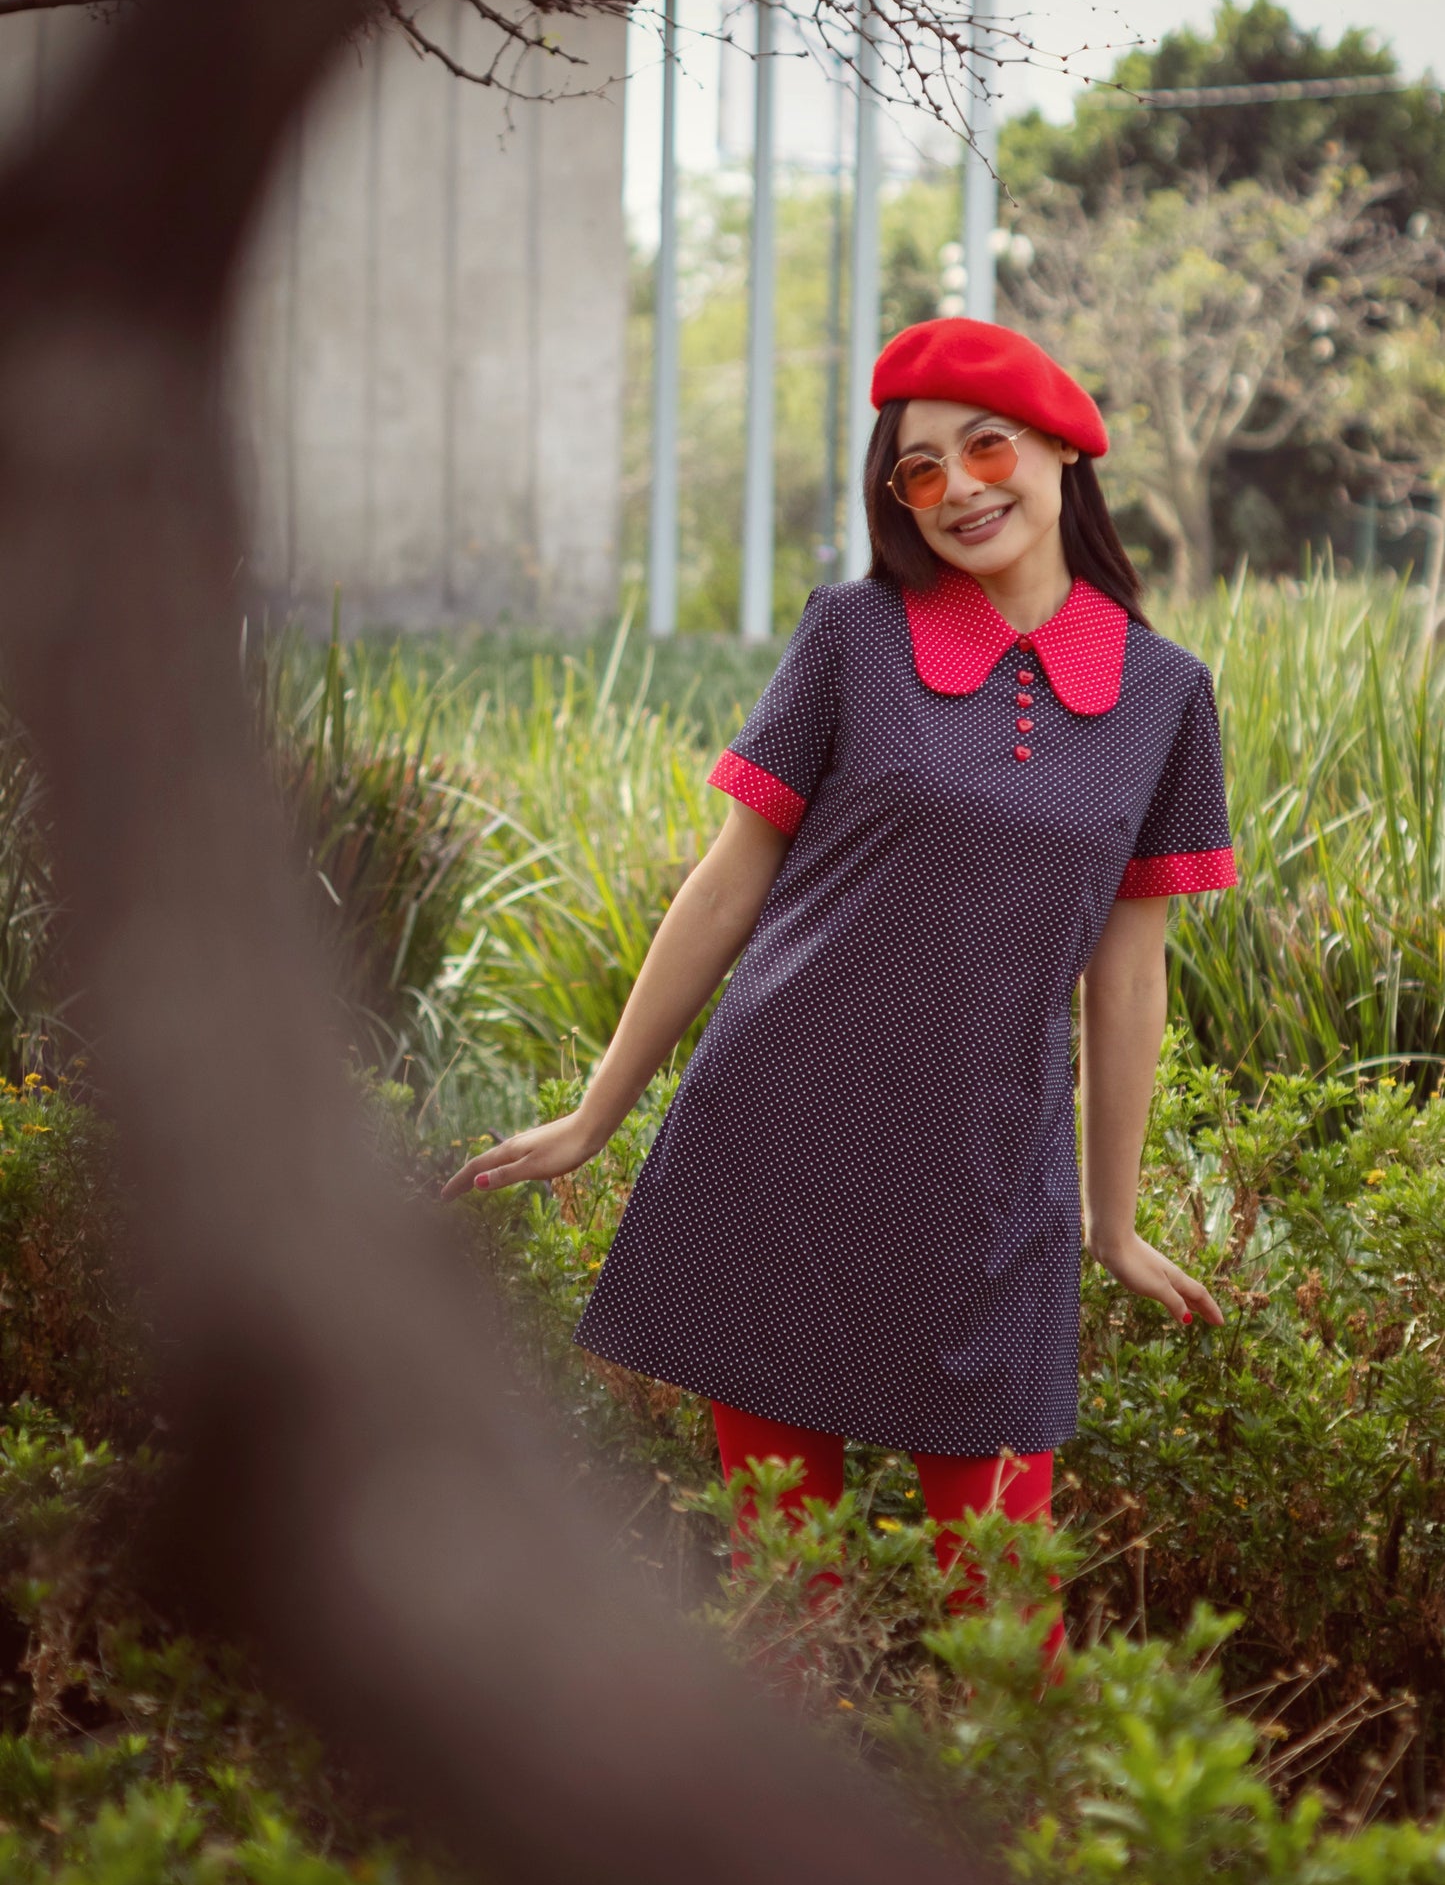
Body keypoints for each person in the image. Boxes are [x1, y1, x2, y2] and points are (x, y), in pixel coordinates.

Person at [443, 317, 1234, 1630]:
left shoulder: (1163, 695)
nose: (961, 488)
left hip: (990, 1190)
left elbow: (1127, 974)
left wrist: (1110, 1220)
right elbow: (726, 882)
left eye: (985, 448)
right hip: (776, 1147)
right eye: (918, 472)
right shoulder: (852, 636)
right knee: (784, 1604)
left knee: (1001, 1624)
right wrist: (596, 1110)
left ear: (1060, 452)